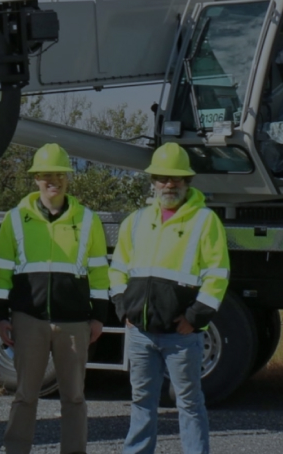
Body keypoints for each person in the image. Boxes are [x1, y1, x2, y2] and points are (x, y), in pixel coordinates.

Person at [110, 143, 230, 454]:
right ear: (153, 181)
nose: (169, 184)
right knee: (141, 402)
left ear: (188, 182)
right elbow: (118, 269)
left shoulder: (204, 221)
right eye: (162, 178)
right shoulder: (135, 221)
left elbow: (217, 275)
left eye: (176, 179)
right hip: (140, 333)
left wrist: (194, 319)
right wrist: (123, 308)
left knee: (189, 403)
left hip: (181, 336)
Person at [0, 144, 109, 454]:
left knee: (74, 397)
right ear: (36, 179)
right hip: (29, 320)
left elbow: (99, 271)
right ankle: (16, 450)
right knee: (26, 395)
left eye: (59, 174)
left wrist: (99, 316)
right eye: (46, 175)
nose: (52, 180)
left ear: (67, 178)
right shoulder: (15, 219)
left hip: (74, 322)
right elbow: (2, 272)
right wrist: (2, 316)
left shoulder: (87, 219)